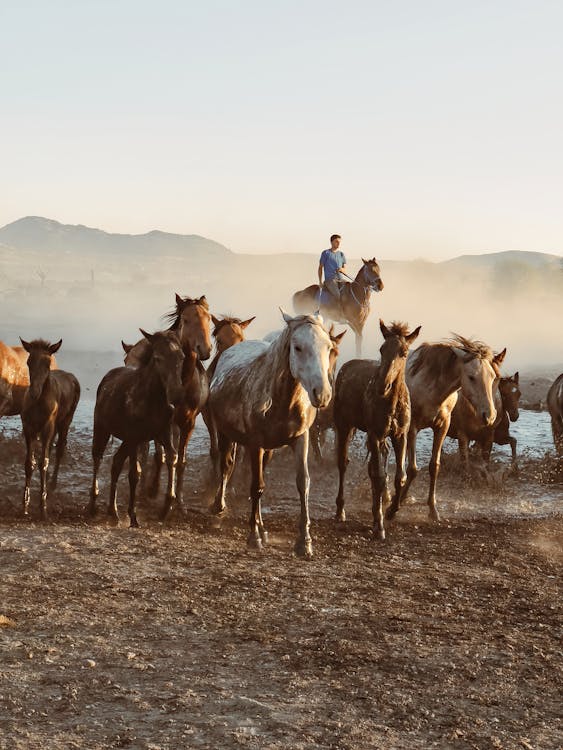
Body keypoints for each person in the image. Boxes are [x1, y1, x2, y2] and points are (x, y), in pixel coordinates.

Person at [318, 234, 347, 304]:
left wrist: (341, 269)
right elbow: (320, 268)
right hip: (330, 280)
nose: (339, 243)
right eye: (336, 241)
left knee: (350, 291)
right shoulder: (326, 253)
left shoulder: (341, 254)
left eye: (339, 242)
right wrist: (320, 281)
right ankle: (336, 312)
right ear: (331, 242)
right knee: (337, 294)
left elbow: (345, 269)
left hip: (341, 279)